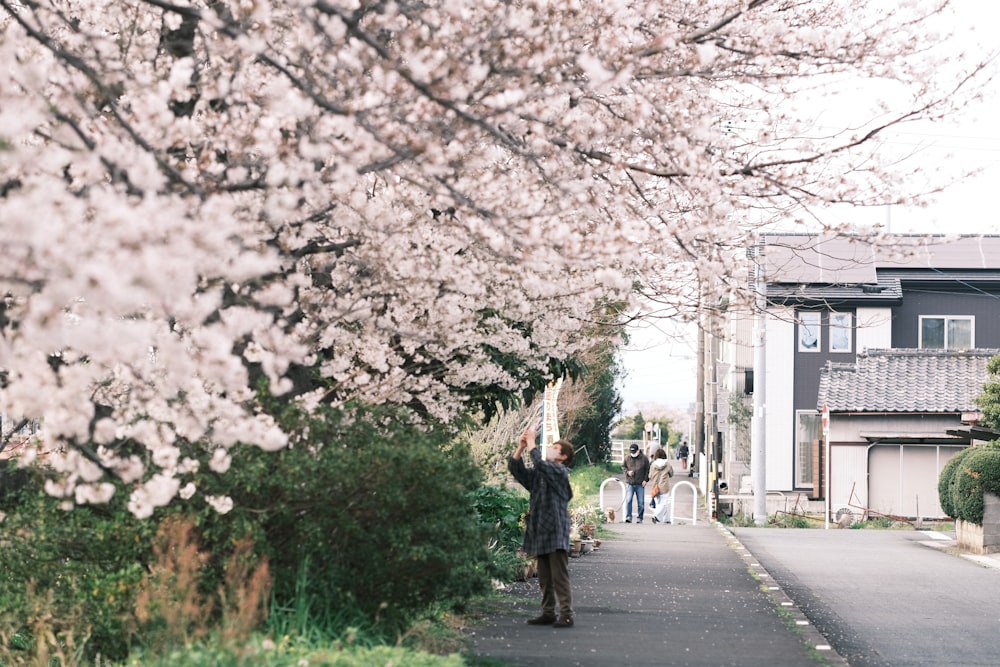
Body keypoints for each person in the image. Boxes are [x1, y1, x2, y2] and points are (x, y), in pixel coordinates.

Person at [508, 425, 576, 628]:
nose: (550, 449)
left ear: (563, 457)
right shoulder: (542, 472)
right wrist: (521, 447)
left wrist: (531, 444)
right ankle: (548, 612)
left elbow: (541, 464)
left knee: (559, 576)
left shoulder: (559, 471)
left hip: (555, 529)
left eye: (555, 448)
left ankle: (566, 614)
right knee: (545, 577)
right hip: (540, 528)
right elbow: (516, 469)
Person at [621, 443, 650, 523]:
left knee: (641, 502)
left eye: (634, 452)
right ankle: (628, 517)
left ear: (638, 450)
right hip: (630, 483)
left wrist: (645, 480)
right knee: (628, 500)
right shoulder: (627, 457)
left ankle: (640, 518)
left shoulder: (644, 458)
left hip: (640, 483)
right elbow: (623, 466)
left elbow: (648, 470)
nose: (633, 454)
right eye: (632, 452)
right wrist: (627, 472)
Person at [647, 449, 675, 524]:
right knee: (664, 503)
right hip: (664, 486)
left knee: (660, 504)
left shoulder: (653, 464)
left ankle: (667, 520)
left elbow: (650, 476)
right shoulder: (667, 464)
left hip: (655, 486)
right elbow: (671, 474)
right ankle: (656, 516)